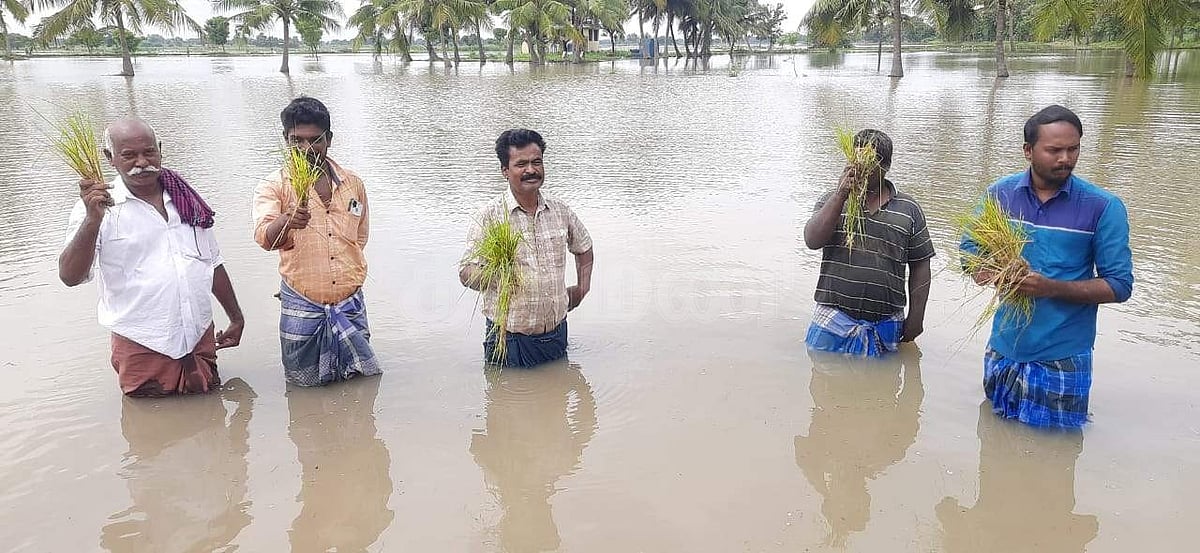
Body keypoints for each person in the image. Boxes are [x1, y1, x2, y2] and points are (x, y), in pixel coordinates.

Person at [962, 105, 1133, 428]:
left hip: (1064, 357)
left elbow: (1119, 285)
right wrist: (994, 273)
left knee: (1056, 455)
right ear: (1028, 151)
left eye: (1073, 149)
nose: (1065, 158)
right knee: (994, 450)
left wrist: (1051, 288)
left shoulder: (1103, 207)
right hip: (1004, 348)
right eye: (1054, 150)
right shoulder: (1000, 195)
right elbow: (970, 251)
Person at [59, 117, 244, 396]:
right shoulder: (97, 209)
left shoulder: (187, 199)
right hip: (142, 343)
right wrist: (92, 221)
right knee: (151, 429)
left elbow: (212, 262)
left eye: (149, 152)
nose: (142, 162)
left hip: (198, 336)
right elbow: (70, 277)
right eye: (129, 156)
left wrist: (236, 317)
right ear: (111, 158)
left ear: (160, 149)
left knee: (212, 425)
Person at [253, 96, 380, 386]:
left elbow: (359, 238)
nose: (306, 149)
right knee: (303, 393)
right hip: (303, 305)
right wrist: (286, 220)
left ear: (329, 139)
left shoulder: (352, 184)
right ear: (286, 140)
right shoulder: (275, 186)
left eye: (315, 140)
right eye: (297, 140)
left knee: (361, 390)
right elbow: (264, 238)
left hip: (350, 305)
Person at [459, 129, 594, 367]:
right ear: (505, 171)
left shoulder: (560, 211)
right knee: (507, 400)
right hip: (507, 339)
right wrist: (496, 272)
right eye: (521, 164)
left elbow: (584, 247)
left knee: (556, 398)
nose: (531, 170)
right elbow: (465, 273)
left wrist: (582, 288)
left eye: (537, 162)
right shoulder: (490, 217)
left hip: (555, 333)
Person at [803, 129, 935, 356]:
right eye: (854, 159)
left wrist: (916, 318)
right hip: (832, 319)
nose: (859, 167)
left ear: (885, 167)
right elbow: (812, 241)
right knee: (824, 384)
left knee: (883, 390)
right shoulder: (832, 201)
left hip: (885, 322)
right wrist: (840, 195)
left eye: (867, 161)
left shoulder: (908, 209)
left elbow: (920, 265)